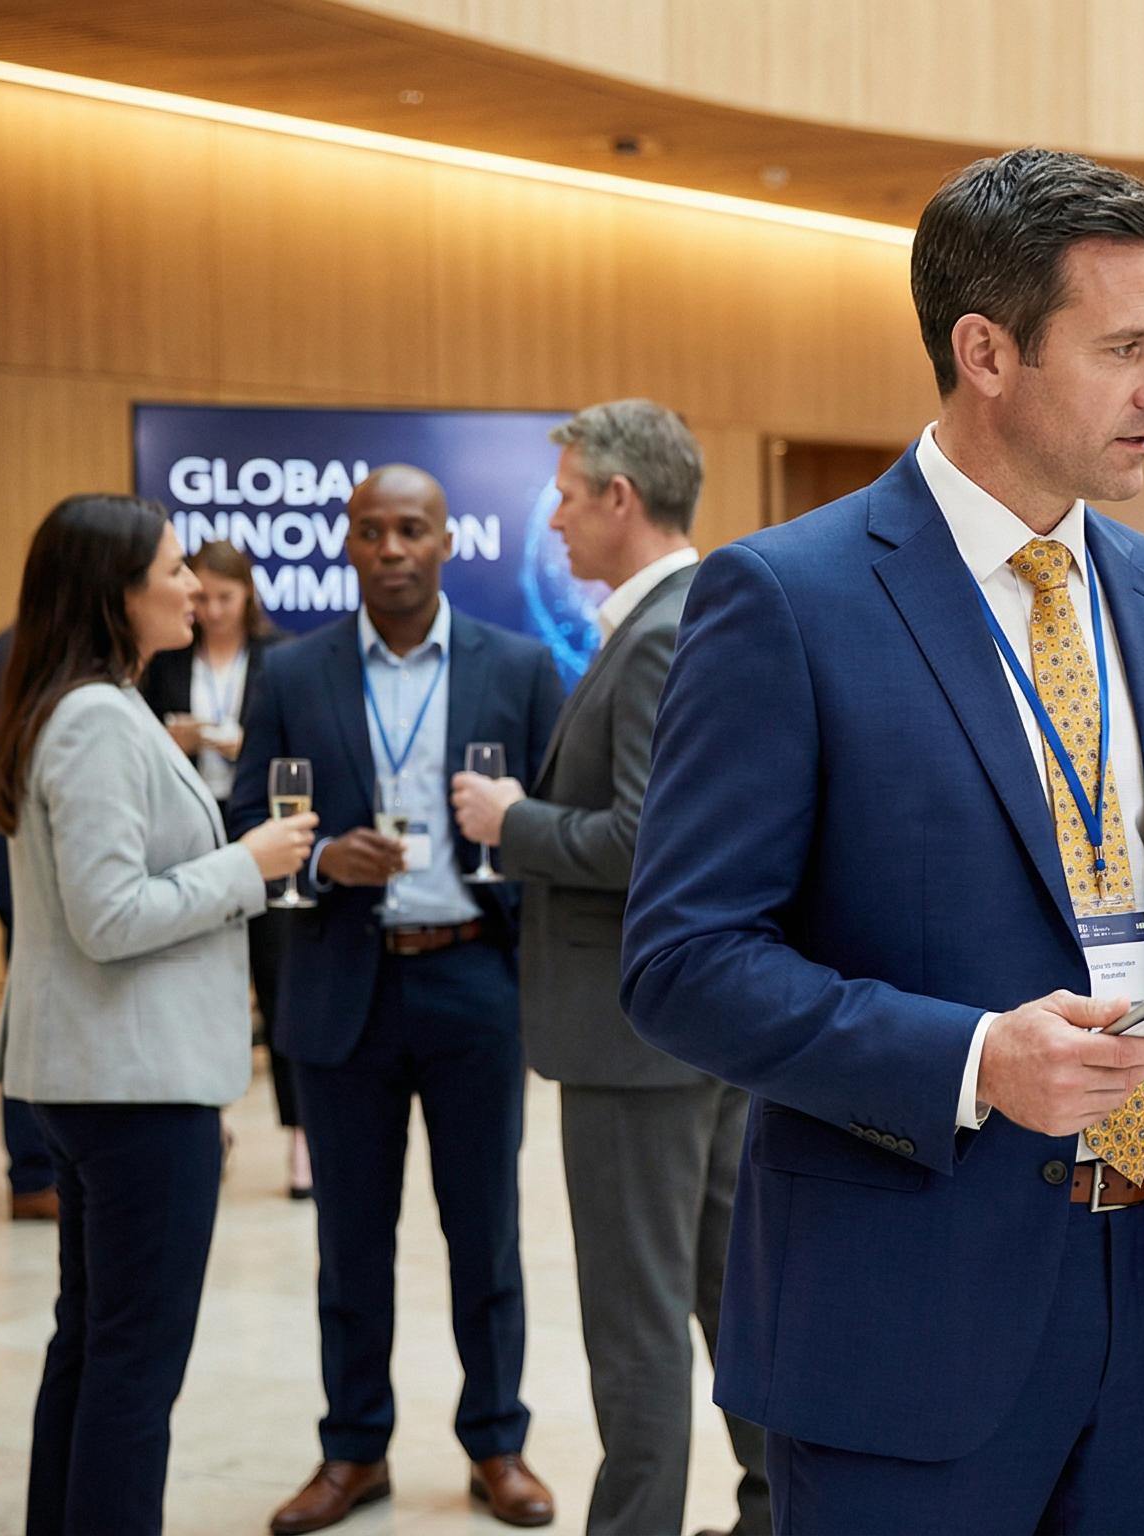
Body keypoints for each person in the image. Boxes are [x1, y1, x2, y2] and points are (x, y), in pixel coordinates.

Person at [618, 147, 1144, 1533]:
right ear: (986, 351)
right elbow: (683, 962)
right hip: (907, 1312)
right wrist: (971, 1060)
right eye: (1126, 348)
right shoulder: (786, 598)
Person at [449, 400, 770, 1536]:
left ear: (621, 500)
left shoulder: (659, 630)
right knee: (728, 1299)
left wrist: (513, 820)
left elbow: (645, 844)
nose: (559, 530)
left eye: (571, 501)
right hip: (699, 1028)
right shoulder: (693, 613)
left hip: (637, 1039)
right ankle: (776, 1507)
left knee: (635, 1329)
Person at [229, 464, 566, 1532]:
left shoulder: (516, 667)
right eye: (369, 530)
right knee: (351, 1240)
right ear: (346, 542)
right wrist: (326, 857)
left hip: (474, 976)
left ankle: (497, 1443)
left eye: (409, 529)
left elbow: (556, 823)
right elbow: (250, 821)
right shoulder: (292, 674)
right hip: (343, 984)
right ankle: (352, 1450)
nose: (389, 548)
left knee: (485, 1233)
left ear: (444, 543)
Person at [0, 495, 316, 1534]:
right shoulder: (91, 718)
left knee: (90, 1343)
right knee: (133, 1365)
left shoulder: (86, 703)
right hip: (132, 1084)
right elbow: (109, 915)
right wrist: (246, 865)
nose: (192, 588)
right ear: (114, 594)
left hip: (98, 1077)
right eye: (172, 571)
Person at [142, 541, 306, 1195]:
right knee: (194, 985)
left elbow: (301, 744)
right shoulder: (166, 658)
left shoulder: (282, 657)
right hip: (187, 834)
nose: (211, 610)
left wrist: (250, 743)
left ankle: (301, 1139)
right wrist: (171, 737)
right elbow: (143, 738)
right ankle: (207, 1128)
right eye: (201, 596)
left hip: (258, 827)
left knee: (280, 986)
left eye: (225, 597)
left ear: (249, 595)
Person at [0, 626, 57, 1219]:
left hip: (3, 853)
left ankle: (35, 1171)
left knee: (29, 1008)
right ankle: (35, 1172)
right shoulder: (48, 651)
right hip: (33, 859)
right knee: (38, 1015)